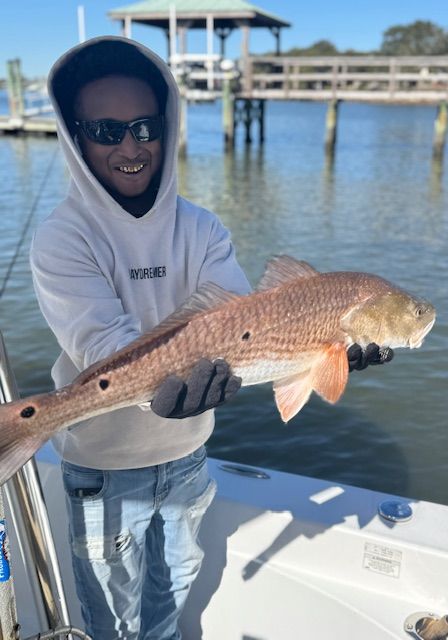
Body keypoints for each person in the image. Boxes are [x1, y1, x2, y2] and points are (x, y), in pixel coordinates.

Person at [30, 36, 392, 640]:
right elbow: (102, 345)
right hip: (103, 466)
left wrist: (325, 345)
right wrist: (159, 386)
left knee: (170, 599)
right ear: (73, 134)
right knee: (112, 619)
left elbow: (249, 328)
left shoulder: (202, 227)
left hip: (190, 458)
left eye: (145, 127)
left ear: (167, 128)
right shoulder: (63, 237)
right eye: (105, 129)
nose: (130, 146)